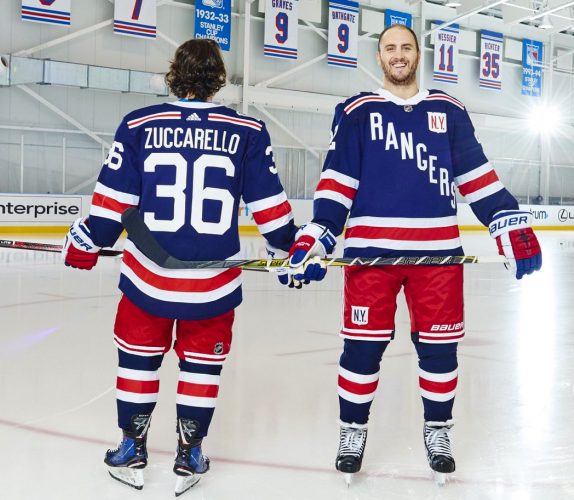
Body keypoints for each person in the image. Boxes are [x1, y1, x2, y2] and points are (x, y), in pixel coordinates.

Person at [286, 24, 542, 484]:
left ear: (418, 54)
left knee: (440, 352)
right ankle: (352, 430)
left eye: (406, 47)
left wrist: (507, 220)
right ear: (379, 57)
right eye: (390, 49)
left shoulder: (449, 110)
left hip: (438, 258)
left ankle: (438, 431)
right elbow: (337, 181)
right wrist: (319, 232)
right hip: (371, 257)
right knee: (361, 352)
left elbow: (476, 175)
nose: (398, 55)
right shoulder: (357, 111)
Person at [62, 39, 298, 495]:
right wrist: (292, 248)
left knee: (137, 361)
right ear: (218, 78)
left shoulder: (139, 123)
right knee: (200, 368)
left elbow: (114, 202)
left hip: (146, 278)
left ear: (174, 73)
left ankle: (132, 447)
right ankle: (190, 453)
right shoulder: (248, 130)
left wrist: (89, 240)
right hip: (210, 284)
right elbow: (270, 207)